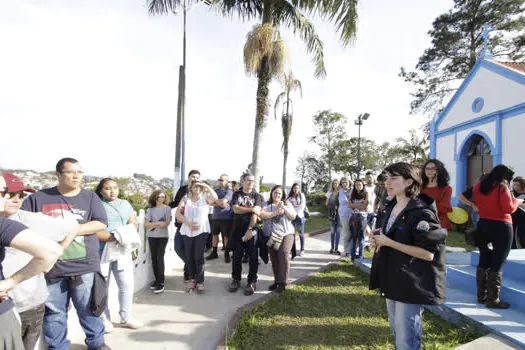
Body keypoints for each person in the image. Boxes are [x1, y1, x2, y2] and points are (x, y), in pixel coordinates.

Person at [21, 157, 111, 350]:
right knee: (54, 312)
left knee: (88, 308)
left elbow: (101, 223)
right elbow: (23, 224)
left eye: (79, 172)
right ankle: (58, 347)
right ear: (58, 174)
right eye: (71, 172)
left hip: (84, 265)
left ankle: (97, 344)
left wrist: (71, 230)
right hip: (51, 266)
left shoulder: (90, 198)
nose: (76, 176)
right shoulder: (38, 198)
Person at [369, 162, 447, 350]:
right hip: (392, 278)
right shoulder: (390, 207)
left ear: (409, 181)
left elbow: (428, 254)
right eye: (387, 178)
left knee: (407, 339)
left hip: (411, 282)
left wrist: (389, 242)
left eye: (393, 178)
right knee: (397, 331)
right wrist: (377, 241)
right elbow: (388, 236)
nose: (387, 182)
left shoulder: (421, 212)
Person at [1, 174, 72, 350]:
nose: (15, 199)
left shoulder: (32, 219)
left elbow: (72, 225)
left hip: (29, 303)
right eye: (8, 193)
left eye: (21, 195)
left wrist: (55, 255)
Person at [94, 178, 143, 332]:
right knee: (103, 286)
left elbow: (133, 222)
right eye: (108, 188)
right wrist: (115, 237)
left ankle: (126, 317)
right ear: (101, 190)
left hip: (123, 249)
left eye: (115, 187)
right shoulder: (96, 205)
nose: (112, 191)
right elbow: (94, 230)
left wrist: (126, 234)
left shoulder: (125, 204)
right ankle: (104, 319)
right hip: (102, 250)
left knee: (126, 285)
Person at [471, 165, 523, 309]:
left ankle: (481, 295)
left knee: (483, 258)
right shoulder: (501, 187)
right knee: (498, 261)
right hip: (502, 226)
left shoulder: (478, 186)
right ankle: (493, 299)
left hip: (483, 224)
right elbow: (508, 208)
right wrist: (517, 201)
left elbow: (477, 203)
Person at [176, 181, 217, 293]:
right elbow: (178, 214)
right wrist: (188, 223)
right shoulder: (186, 198)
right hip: (187, 230)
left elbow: (215, 198)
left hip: (201, 231)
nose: (197, 188)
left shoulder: (205, 198)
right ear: (191, 188)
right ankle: (192, 279)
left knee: (198, 256)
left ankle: (200, 281)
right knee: (189, 256)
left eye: (199, 186)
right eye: (195, 186)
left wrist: (207, 186)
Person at [228, 174, 263, 296]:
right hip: (237, 230)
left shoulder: (257, 196)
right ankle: (236, 279)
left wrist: (250, 228)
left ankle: (251, 281)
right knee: (237, 257)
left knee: (253, 258)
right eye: (248, 180)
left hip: (251, 231)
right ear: (243, 181)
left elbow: (256, 213)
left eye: (253, 181)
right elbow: (235, 209)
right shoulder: (237, 194)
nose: (251, 183)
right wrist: (251, 209)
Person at [260, 186, 296, 293]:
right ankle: (277, 281)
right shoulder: (266, 204)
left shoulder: (287, 204)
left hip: (286, 234)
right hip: (273, 235)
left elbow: (293, 216)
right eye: (275, 193)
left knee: (283, 253)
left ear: (283, 195)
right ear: (272, 193)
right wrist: (274, 213)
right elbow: (261, 215)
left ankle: (283, 282)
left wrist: (283, 208)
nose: (277, 195)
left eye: (280, 194)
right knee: (274, 258)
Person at [169, 170, 200, 282]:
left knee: (189, 249)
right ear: (188, 177)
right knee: (178, 247)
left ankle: (189, 272)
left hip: (193, 226)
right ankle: (190, 265)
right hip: (181, 224)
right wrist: (164, 205)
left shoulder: (199, 190)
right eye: (193, 176)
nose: (195, 179)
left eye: (197, 177)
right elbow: (176, 202)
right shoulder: (183, 189)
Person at [145, 190, 172, 294]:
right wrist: (158, 223)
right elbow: (146, 224)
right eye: (159, 197)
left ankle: (161, 282)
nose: (161, 199)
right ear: (154, 198)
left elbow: (166, 223)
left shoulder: (167, 209)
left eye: (163, 197)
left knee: (159, 258)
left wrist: (153, 223)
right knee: (154, 258)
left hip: (162, 237)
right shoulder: (150, 210)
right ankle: (157, 280)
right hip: (152, 236)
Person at [420, 159, 453, 233]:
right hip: (422, 223)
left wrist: (426, 204)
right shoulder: (420, 187)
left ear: (439, 170)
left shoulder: (447, 189)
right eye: (427, 168)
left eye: (433, 168)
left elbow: (444, 208)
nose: (429, 171)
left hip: (439, 224)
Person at [207, 174, 234, 263]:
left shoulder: (229, 192)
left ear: (227, 181)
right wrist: (220, 203)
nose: (220, 181)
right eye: (219, 180)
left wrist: (216, 202)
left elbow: (223, 201)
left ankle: (226, 254)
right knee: (214, 235)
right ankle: (214, 252)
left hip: (226, 217)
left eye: (222, 180)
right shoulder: (216, 191)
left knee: (226, 237)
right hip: (215, 217)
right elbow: (209, 202)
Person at [348, 179, 368, 261]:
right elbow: (349, 205)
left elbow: (364, 207)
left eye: (360, 185)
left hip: (362, 217)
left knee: (361, 238)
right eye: (356, 185)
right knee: (353, 238)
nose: (358, 186)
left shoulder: (366, 194)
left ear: (363, 186)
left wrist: (354, 205)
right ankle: (352, 257)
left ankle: (360, 257)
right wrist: (360, 204)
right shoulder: (352, 194)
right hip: (353, 217)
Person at [287, 183, 306, 256]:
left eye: (297, 188)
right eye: (295, 188)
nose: (296, 189)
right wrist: (293, 207)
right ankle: (292, 250)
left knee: (301, 234)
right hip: (291, 217)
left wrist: (293, 207)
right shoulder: (289, 197)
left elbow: (302, 206)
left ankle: (302, 250)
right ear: (292, 188)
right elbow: (287, 205)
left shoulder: (301, 195)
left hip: (299, 216)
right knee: (292, 234)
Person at [338, 177, 352, 257]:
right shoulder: (340, 191)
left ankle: (352, 249)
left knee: (353, 232)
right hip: (343, 214)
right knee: (347, 232)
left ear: (349, 182)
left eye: (346, 182)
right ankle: (347, 250)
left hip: (354, 214)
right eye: (343, 182)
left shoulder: (353, 190)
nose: (344, 184)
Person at [325, 179, 340, 255]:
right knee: (332, 231)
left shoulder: (341, 193)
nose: (335, 185)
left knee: (338, 232)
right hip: (331, 214)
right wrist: (329, 202)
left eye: (337, 183)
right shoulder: (329, 193)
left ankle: (336, 248)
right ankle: (332, 247)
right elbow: (326, 204)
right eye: (334, 183)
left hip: (339, 214)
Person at [511, 176, 525, 249]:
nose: (515, 187)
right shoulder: (511, 193)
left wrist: (516, 201)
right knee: (511, 237)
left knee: (522, 237)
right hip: (513, 218)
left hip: (523, 219)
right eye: (514, 185)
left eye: (518, 185)